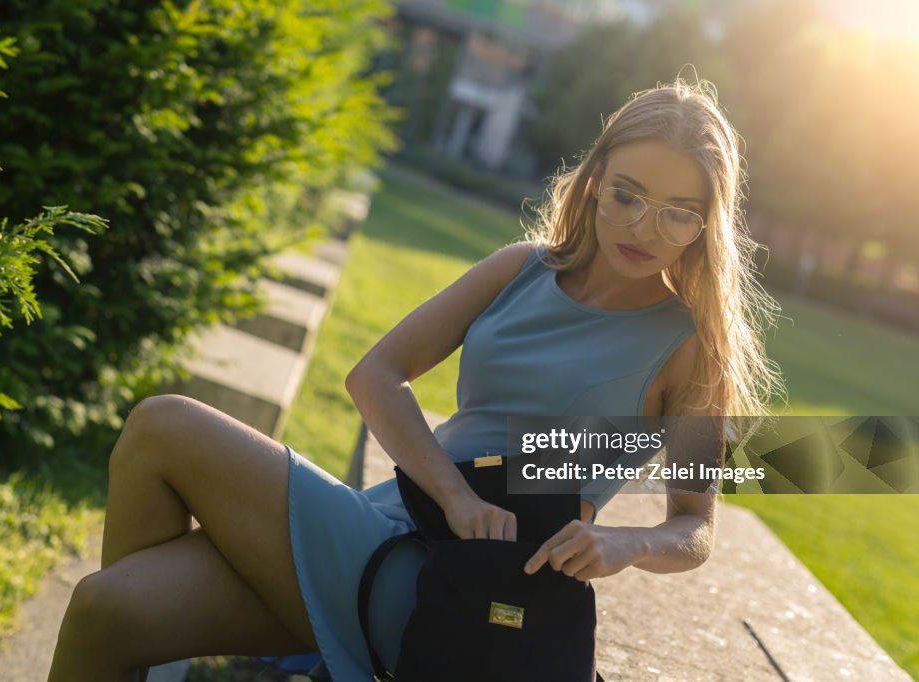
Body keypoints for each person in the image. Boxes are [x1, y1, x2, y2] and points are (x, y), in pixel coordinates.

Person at [48, 77, 785, 682]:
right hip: (400, 513)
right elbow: (376, 375)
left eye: (678, 215)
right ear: (594, 181)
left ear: (706, 226)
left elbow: (695, 527)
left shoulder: (690, 345)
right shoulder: (522, 269)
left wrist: (625, 545)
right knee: (104, 609)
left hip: (470, 574)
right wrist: (454, 493)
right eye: (627, 194)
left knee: (164, 423)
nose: (644, 228)